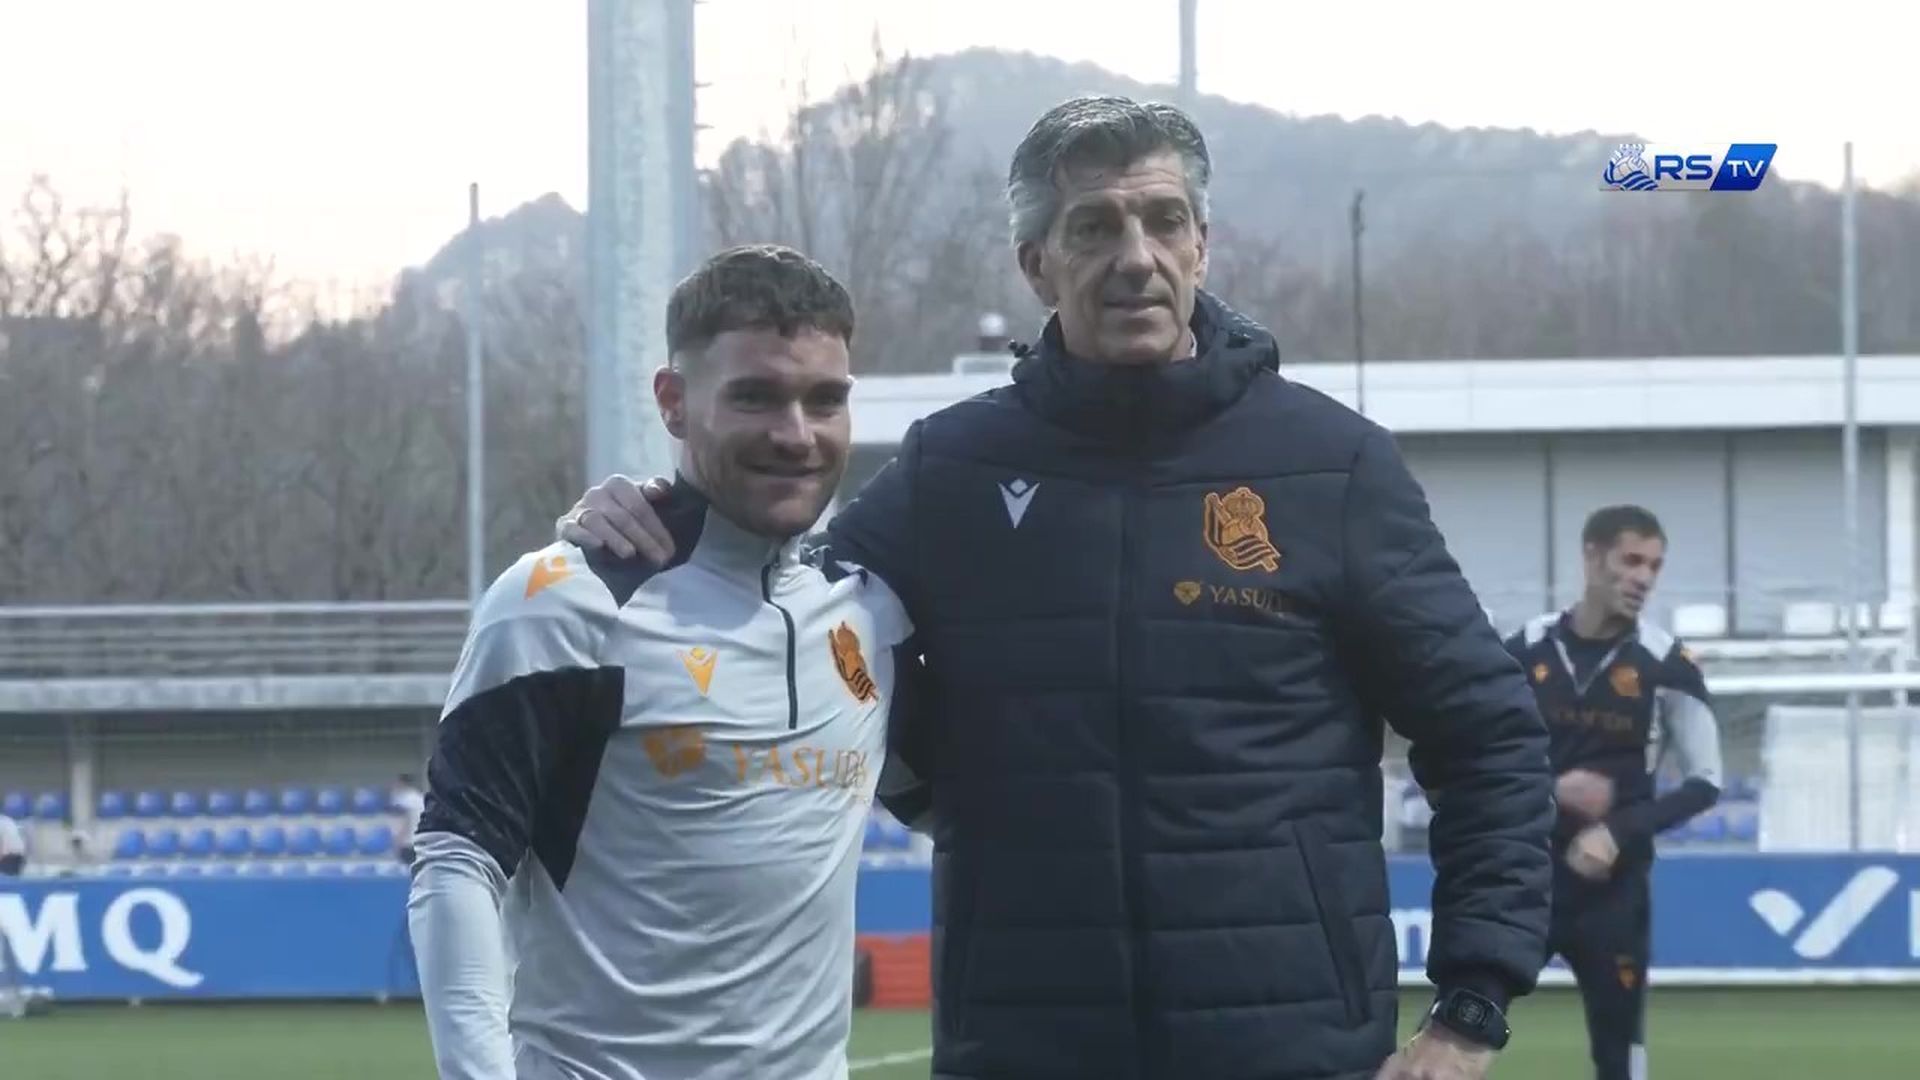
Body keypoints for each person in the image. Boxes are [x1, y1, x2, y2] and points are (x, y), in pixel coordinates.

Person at [558, 94, 1554, 1080]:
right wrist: (661, 512)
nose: (1137, 256)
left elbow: (1490, 732)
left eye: (1164, 220)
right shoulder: (954, 469)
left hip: (1292, 1049)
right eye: (1094, 227)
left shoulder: (1332, 466)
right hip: (1023, 1050)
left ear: (1202, 245)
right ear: (1037, 265)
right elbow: (785, 601)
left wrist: (1469, 1014)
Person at [407, 244, 920, 1080]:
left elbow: (952, 803)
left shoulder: (871, 612)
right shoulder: (561, 604)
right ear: (674, 404)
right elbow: (459, 860)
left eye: (825, 401)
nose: (797, 435)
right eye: (755, 397)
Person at [1503, 504, 1723, 1080]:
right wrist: (1552, 791)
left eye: (1654, 565)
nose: (1644, 578)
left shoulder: (1668, 665)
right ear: (1592, 556)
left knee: (1619, 1054)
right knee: (1459, 1026)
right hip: (1524, 881)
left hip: (1614, 896)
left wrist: (1615, 830)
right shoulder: (1524, 651)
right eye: (1631, 560)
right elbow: (1479, 758)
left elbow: (1706, 782)